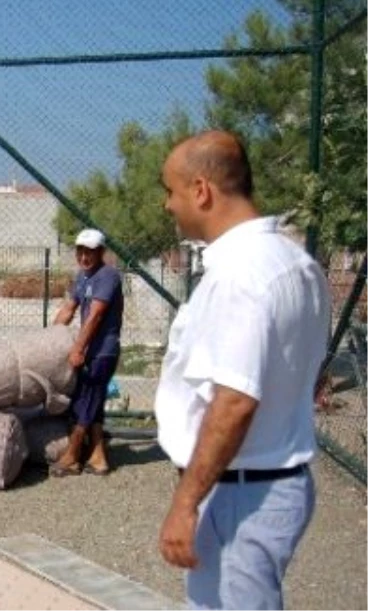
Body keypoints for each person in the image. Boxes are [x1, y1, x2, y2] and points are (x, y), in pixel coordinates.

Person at [155, 131, 330, 609]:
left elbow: (235, 401)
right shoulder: (298, 264)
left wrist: (185, 503)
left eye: (171, 191)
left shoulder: (241, 275)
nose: (168, 206)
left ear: (201, 190)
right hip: (269, 483)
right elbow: (306, 371)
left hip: (241, 495)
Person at [50, 228, 124, 476]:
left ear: (100, 252)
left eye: (89, 252)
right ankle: (98, 458)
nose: (84, 257)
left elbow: (95, 316)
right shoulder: (82, 277)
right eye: (80, 251)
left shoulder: (108, 276)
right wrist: (47, 340)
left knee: (85, 401)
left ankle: (71, 456)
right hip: (90, 350)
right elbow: (69, 309)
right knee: (95, 402)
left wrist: (78, 348)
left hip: (102, 351)